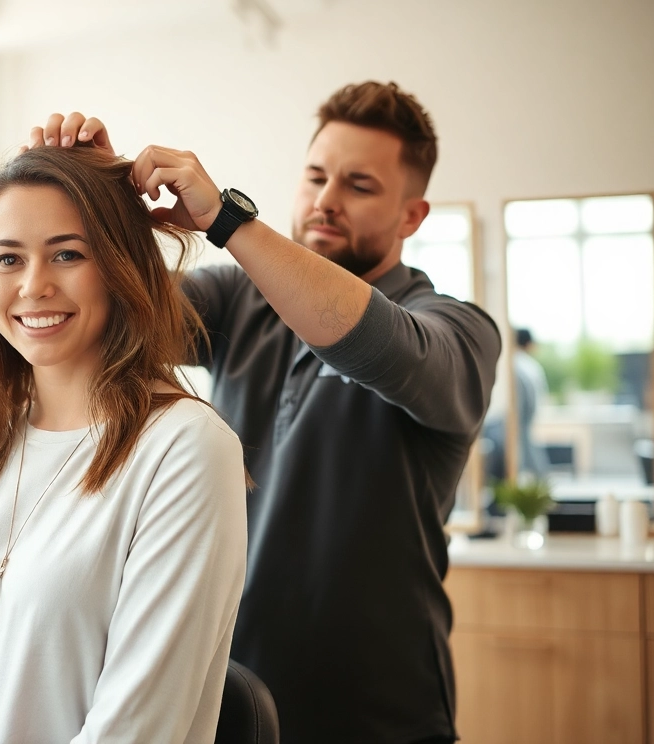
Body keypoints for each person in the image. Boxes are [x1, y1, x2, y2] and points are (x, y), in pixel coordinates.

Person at [31, 81, 501, 744]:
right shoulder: (239, 299)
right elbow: (113, 322)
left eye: (359, 185)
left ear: (411, 217)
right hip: (236, 697)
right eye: (315, 176)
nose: (326, 201)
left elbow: (374, 339)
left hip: (382, 712)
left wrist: (227, 221)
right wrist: (98, 197)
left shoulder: (457, 332)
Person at [0, 145, 248, 743]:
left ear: (120, 267)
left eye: (68, 254)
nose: (34, 285)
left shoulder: (188, 451)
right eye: (7, 259)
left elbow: (132, 731)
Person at [513, 328, 551, 478]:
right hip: (528, 414)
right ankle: (542, 481)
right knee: (527, 447)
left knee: (526, 447)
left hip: (523, 414)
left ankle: (541, 481)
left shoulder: (518, 364)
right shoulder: (529, 365)